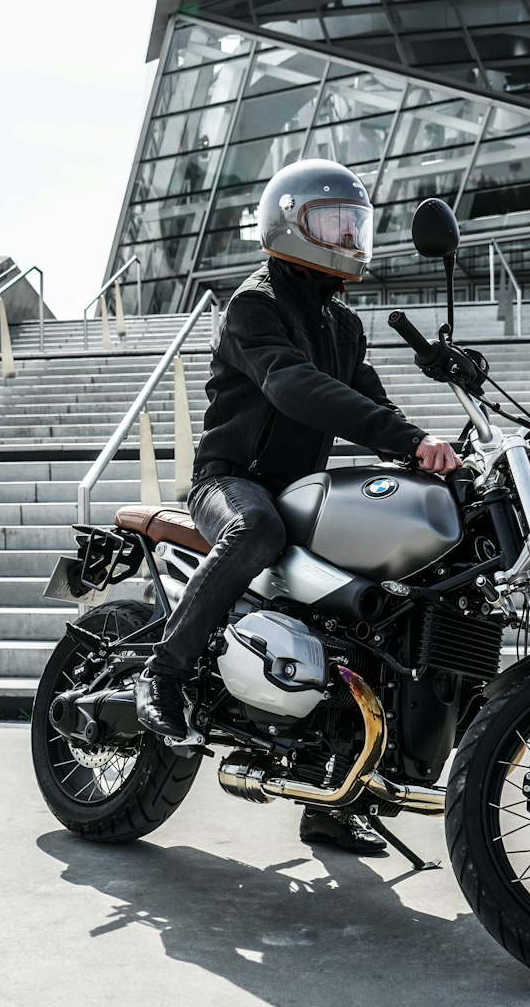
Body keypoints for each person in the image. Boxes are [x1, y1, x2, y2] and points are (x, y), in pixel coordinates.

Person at [134, 159, 461, 854]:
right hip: (232, 482)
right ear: (289, 222)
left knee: (383, 593)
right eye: (333, 224)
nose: (348, 239)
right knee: (256, 528)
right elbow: (293, 385)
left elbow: (371, 400)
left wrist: (428, 452)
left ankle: (332, 796)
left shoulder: (342, 326)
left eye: (355, 225)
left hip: (299, 492)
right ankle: (162, 675)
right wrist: (404, 436)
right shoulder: (253, 305)